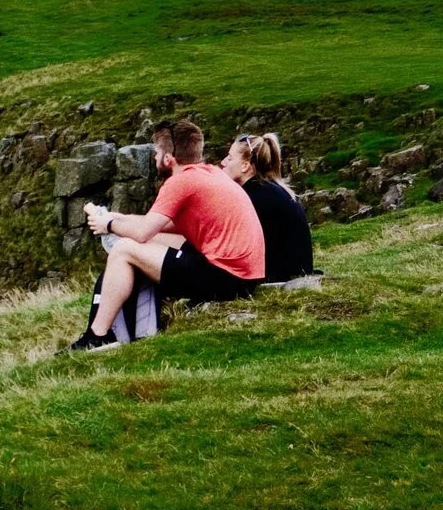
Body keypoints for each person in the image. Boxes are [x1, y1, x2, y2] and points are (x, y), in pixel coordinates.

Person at [67, 119, 265, 351]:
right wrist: (117, 218)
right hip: (245, 275)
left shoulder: (180, 182)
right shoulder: (209, 172)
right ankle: (125, 326)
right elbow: (163, 225)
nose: (154, 158)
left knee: (123, 249)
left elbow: (142, 233)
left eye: (157, 152)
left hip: (226, 279)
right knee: (146, 240)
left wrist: (108, 225)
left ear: (169, 157)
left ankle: (97, 337)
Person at [225, 130, 312, 283]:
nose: (223, 162)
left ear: (245, 166)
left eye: (230, 158)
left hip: (281, 278)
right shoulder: (267, 190)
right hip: (294, 272)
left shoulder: (255, 197)